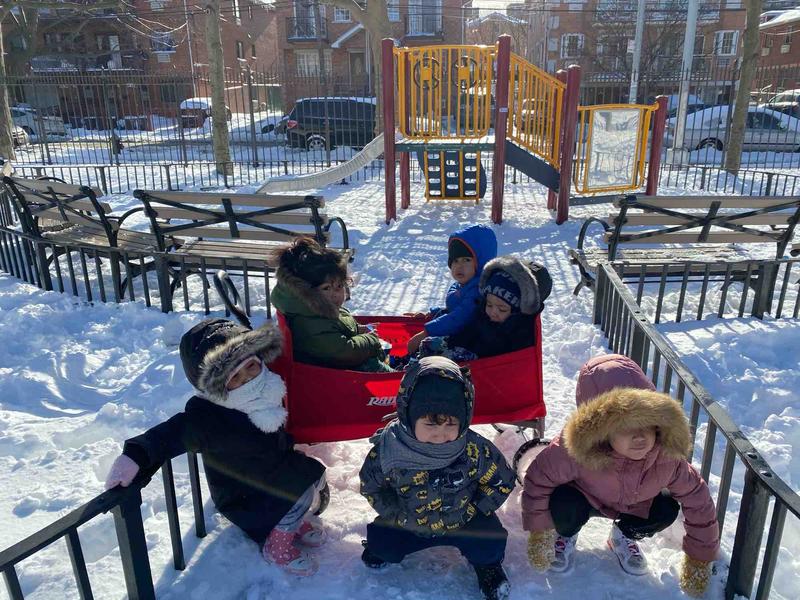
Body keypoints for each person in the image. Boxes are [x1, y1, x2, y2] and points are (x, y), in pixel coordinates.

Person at [103, 318, 328, 576]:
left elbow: (272, 435)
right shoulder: (210, 418)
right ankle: (276, 547)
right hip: (244, 496)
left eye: (251, 368)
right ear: (217, 387)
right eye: (235, 378)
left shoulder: (266, 391)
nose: (247, 381)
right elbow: (170, 434)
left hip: (269, 475)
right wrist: (136, 454)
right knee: (301, 487)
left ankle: (290, 523)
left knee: (312, 474)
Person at [522, 354, 719, 597]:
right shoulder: (574, 450)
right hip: (586, 498)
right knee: (562, 502)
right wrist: (540, 533)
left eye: (647, 426)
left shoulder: (665, 457)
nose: (640, 438)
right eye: (625, 428)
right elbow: (537, 480)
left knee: (666, 507)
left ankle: (623, 536)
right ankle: (566, 533)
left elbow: (698, 500)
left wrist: (699, 560)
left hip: (634, 503)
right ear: (602, 430)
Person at [359, 356, 516, 600]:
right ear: (410, 415)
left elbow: (502, 481)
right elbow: (372, 486)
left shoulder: (473, 449)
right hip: (410, 521)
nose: (440, 435)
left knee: (490, 540)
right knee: (382, 542)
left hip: (461, 520)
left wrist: (475, 508)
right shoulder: (390, 449)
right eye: (430, 423)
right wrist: (394, 513)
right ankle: (385, 546)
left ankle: (488, 567)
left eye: (450, 424)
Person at [271, 237, 390, 371]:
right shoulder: (310, 323)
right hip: (333, 376)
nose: (335, 294)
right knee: (384, 372)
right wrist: (371, 340)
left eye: (339, 286)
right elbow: (346, 353)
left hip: (342, 364)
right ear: (306, 291)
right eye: (326, 288)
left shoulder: (317, 309)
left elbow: (338, 327)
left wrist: (357, 329)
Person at [406, 224, 497, 354]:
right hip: (457, 335)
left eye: (466, 260)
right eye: (455, 261)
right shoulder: (462, 285)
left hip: (469, 344)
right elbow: (453, 309)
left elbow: (460, 317)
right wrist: (432, 314)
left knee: (429, 346)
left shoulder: (478, 290)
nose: (459, 266)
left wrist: (427, 332)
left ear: (481, 262)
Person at [448, 256, 550, 358]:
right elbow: (470, 330)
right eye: (489, 304)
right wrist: (450, 342)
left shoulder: (520, 334)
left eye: (502, 309)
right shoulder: (483, 313)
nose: (493, 312)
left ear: (518, 311)